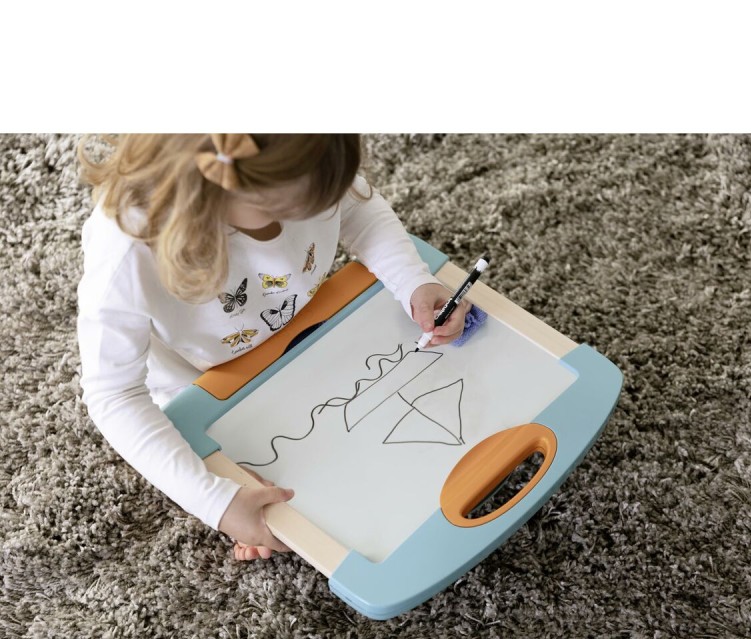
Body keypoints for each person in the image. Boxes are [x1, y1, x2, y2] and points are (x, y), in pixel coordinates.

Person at [76, 134, 468, 562]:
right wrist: (218, 503)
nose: (320, 210)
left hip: (313, 331)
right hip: (203, 384)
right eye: (294, 209)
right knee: (287, 499)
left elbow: (360, 210)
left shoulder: (308, 154)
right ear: (219, 185)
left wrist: (413, 280)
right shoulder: (126, 253)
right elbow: (114, 394)